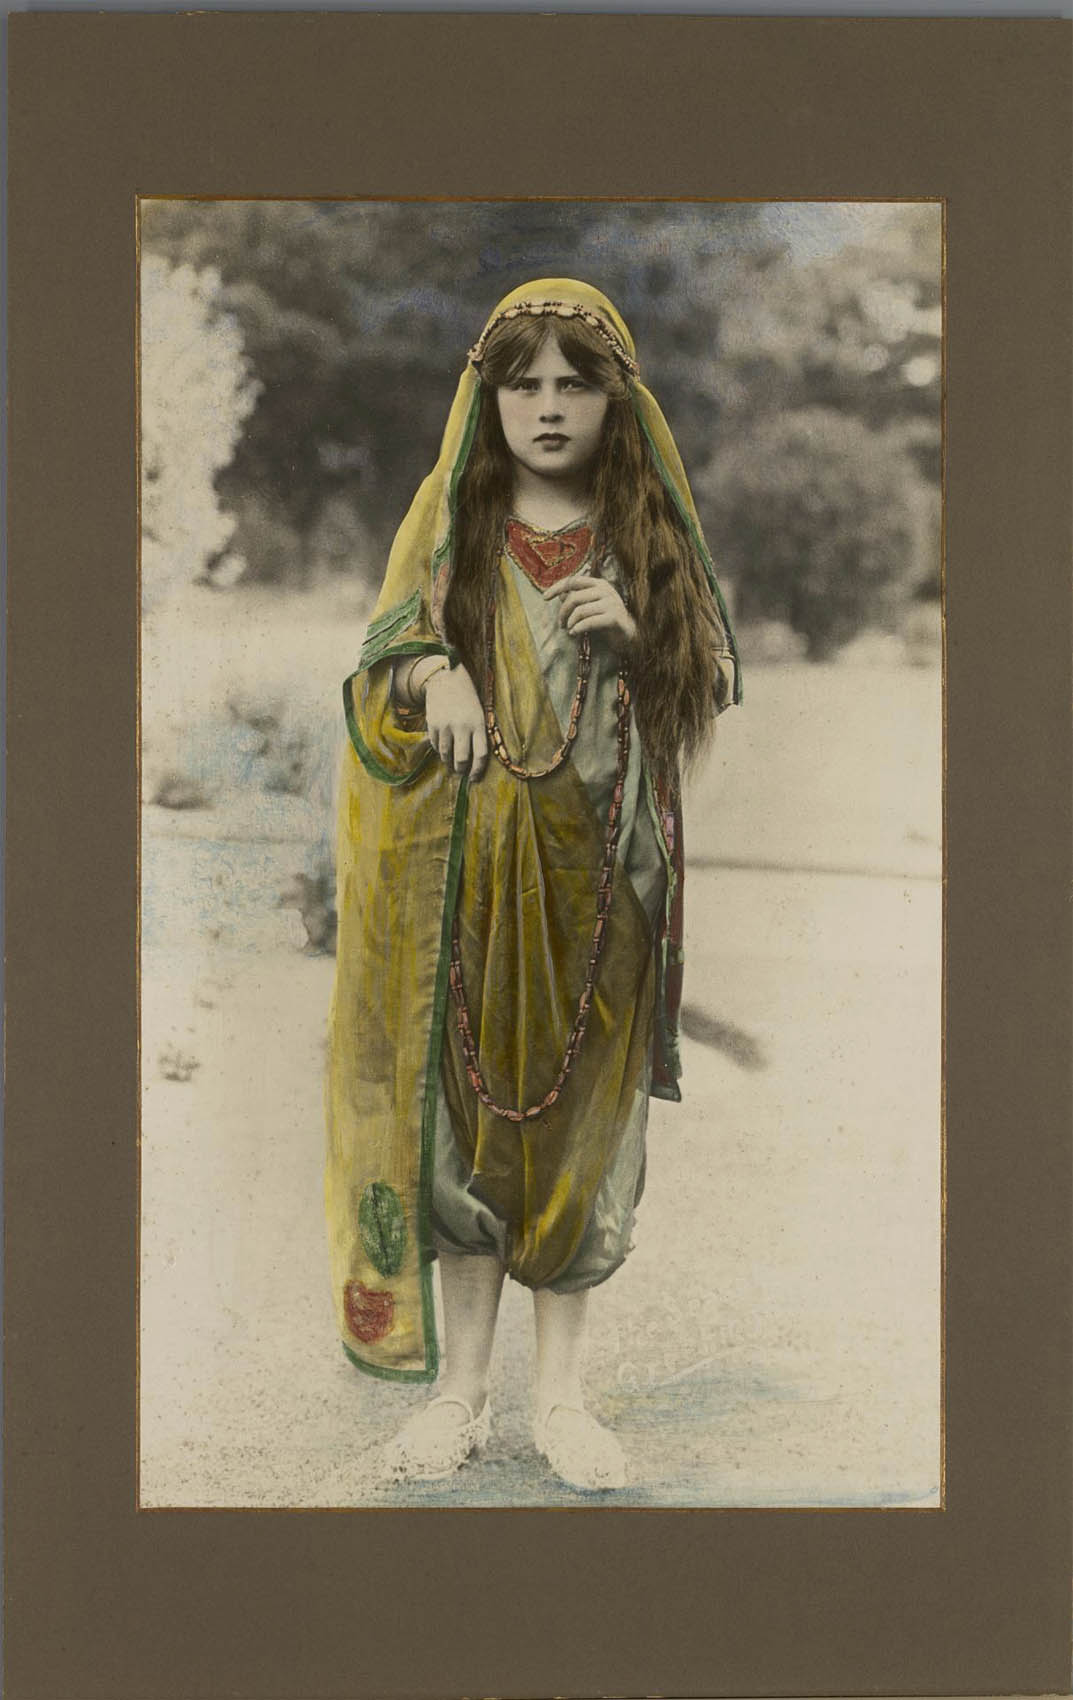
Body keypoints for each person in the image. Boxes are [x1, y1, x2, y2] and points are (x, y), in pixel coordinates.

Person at [325, 278, 740, 1491]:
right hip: (465, 876)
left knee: (575, 1126)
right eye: (523, 383)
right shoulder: (451, 526)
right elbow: (379, 666)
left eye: (574, 383)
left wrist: (639, 636)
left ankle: (560, 1396)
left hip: (602, 881)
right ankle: (457, 1394)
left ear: (616, 400)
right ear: (487, 396)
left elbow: (711, 680)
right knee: (469, 1117)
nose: (548, 406)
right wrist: (433, 675)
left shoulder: (644, 531)